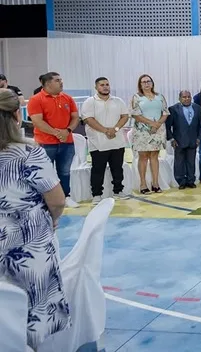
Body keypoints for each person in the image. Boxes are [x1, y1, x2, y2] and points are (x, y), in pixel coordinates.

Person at [0, 89, 70, 349]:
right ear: (17, 116)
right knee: (34, 302)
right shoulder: (29, 154)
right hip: (28, 241)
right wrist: (52, 220)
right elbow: (57, 199)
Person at [27, 71, 80, 208]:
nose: (61, 82)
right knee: (45, 172)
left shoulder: (68, 98)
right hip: (45, 143)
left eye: (61, 80)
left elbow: (75, 117)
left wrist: (67, 131)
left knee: (65, 171)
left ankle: (65, 197)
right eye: (57, 80)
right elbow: (37, 121)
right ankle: (45, 200)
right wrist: (57, 133)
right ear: (48, 83)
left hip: (66, 142)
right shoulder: (36, 99)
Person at [80, 77, 130, 204]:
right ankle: (97, 194)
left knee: (117, 168)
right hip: (98, 142)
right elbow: (88, 119)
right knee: (98, 169)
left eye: (107, 84)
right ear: (96, 87)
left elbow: (125, 116)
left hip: (117, 141)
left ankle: (118, 190)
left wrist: (115, 129)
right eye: (102, 85)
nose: (105, 87)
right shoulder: (90, 102)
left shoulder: (118, 101)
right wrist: (105, 131)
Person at [130, 74, 169, 195]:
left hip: (157, 130)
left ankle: (155, 183)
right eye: (144, 82)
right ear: (140, 84)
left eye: (148, 81)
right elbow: (135, 114)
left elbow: (165, 112)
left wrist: (157, 124)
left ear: (152, 83)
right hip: (142, 131)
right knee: (143, 156)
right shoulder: (137, 97)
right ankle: (143, 184)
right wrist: (151, 123)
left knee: (154, 156)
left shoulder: (160, 97)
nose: (146, 84)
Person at [166, 91, 201, 190]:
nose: (186, 99)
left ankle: (191, 181)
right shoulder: (173, 109)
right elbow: (168, 126)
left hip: (193, 141)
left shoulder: (198, 108)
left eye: (188, 97)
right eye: (184, 97)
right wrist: (172, 139)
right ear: (180, 98)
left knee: (191, 162)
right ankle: (181, 181)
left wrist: (199, 138)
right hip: (179, 141)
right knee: (179, 162)